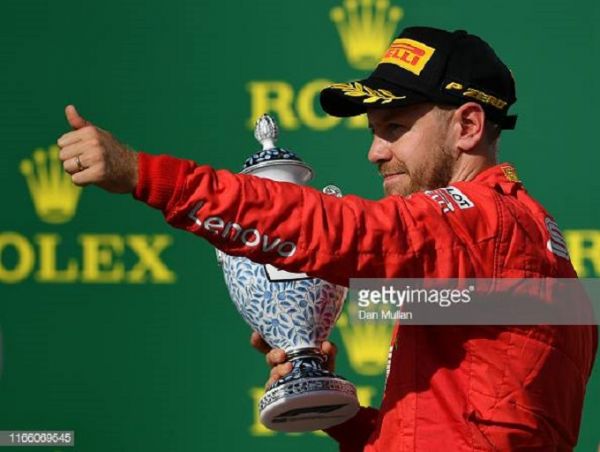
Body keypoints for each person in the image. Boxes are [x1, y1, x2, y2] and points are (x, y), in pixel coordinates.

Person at [57, 26, 597, 451]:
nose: (375, 152)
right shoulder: (511, 238)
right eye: (372, 133)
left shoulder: (487, 222)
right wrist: (335, 412)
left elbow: (341, 232)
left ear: (468, 126)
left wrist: (146, 175)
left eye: (394, 127)